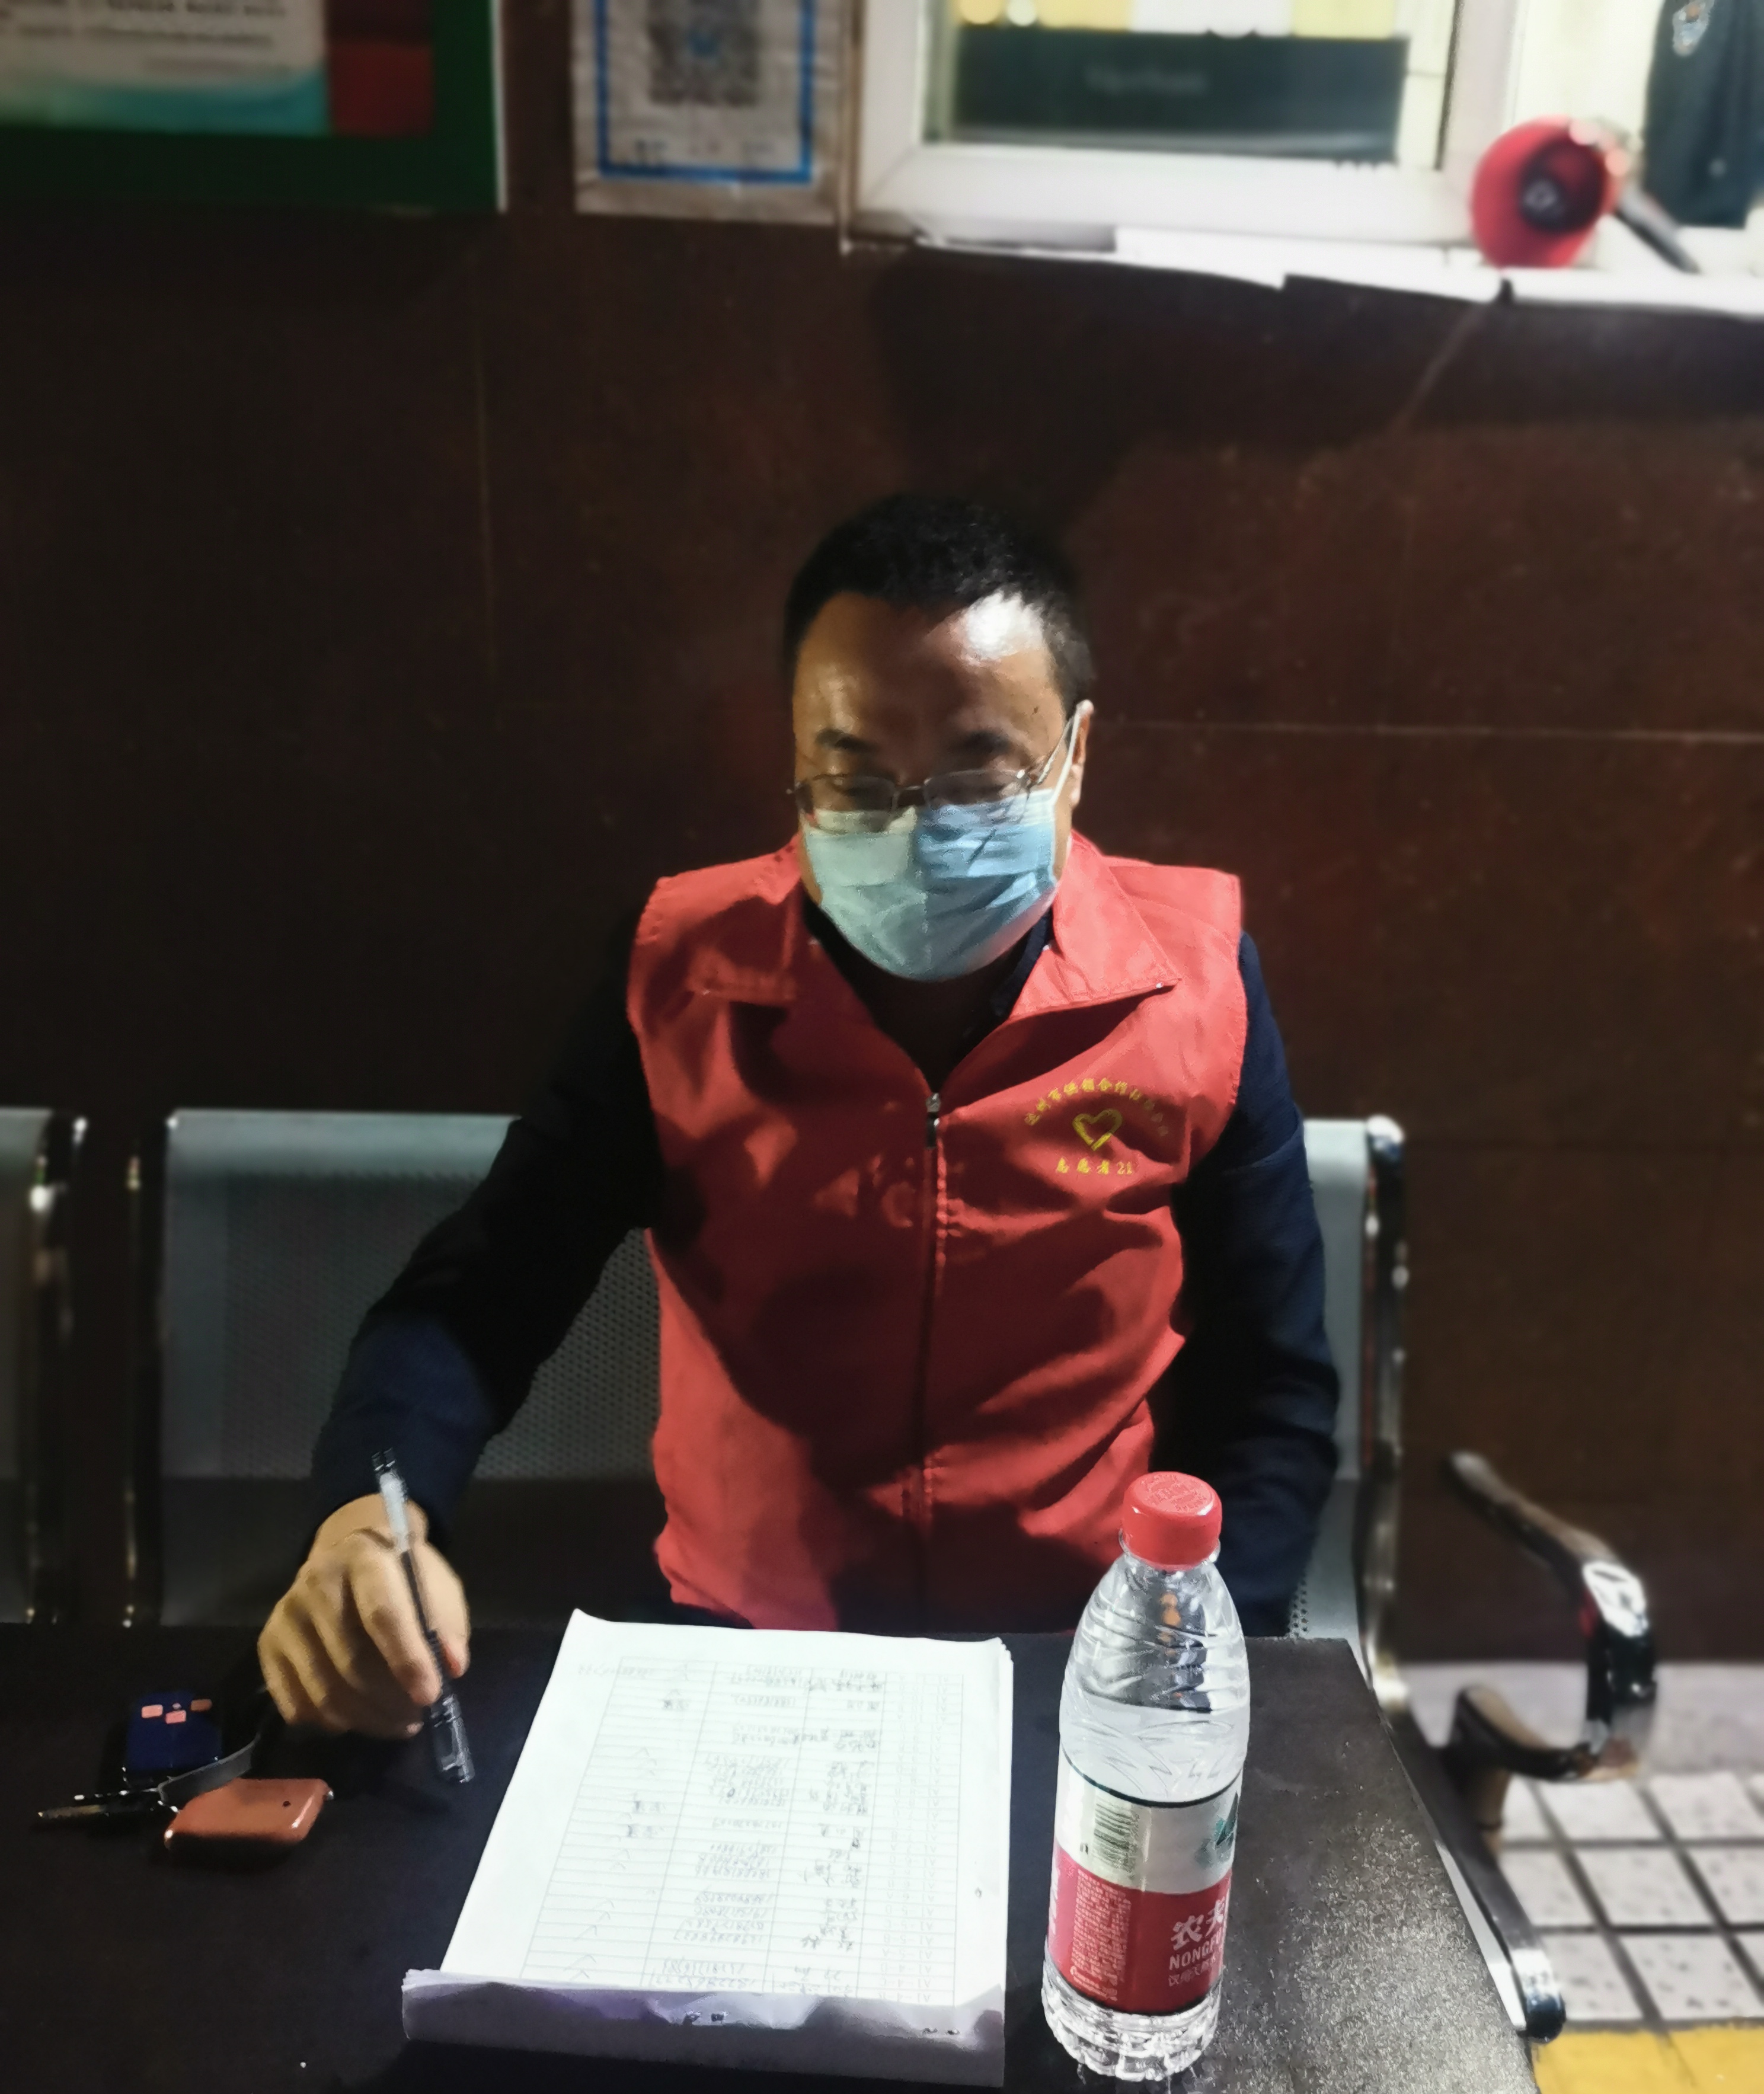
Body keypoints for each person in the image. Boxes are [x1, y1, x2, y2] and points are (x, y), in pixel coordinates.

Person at [257, 495, 1338, 1737]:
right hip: (746, 1651)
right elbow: (481, 1293)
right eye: (857, 778)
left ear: (1076, 754)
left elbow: (1274, 1387)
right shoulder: (685, 979)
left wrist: (1199, 1655)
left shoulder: (1192, 982)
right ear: (795, 762)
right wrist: (371, 1511)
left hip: (1079, 1660)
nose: (919, 825)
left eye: (978, 772)